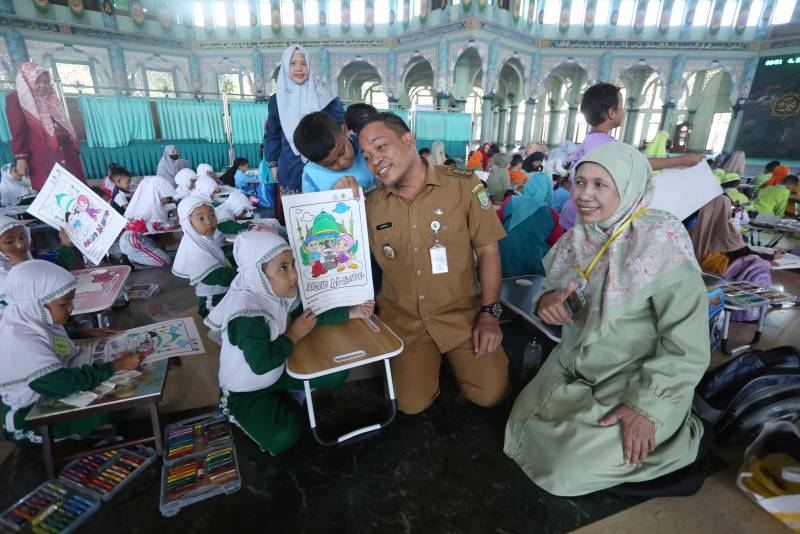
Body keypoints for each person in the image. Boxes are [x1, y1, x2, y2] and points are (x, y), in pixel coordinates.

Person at [504, 142, 711, 497]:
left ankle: (683, 438)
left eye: (600, 184)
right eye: (580, 182)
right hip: (574, 364)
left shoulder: (661, 240)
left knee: (564, 472)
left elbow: (686, 344)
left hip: (635, 378)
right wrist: (548, 301)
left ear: (629, 186)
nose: (583, 195)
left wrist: (646, 408)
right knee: (519, 427)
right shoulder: (578, 237)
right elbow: (550, 290)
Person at [335, 113, 510, 415]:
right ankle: (430, 366)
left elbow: (488, 251)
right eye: (367, 156)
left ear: (409, 141)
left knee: (491, 394)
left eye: (381, 147)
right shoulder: (369, 204)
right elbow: (337, 253)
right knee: (410, 404)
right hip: (405, 321)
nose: (375, 160)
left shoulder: (465, 185)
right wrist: (339, 203)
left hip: (462, 316)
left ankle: (455, 361)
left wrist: (489, 314)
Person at [205, 230, 374, 455]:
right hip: (246, 392)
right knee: (282, 437)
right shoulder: (245, 314)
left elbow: (310, 317)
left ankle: (289, 395)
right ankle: (282, 400)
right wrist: (294, 334)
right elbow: (261, 364)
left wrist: (351, 312)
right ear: (257, 274)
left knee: (337, 372)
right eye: (283, 268)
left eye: (292, 264)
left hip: (278, 371)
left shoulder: (273, 293)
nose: (294, 274)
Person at [0, 260, 143, 444]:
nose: (71, 307)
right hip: (28, 413)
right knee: (107, 408)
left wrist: (80, 332)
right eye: (64, 303)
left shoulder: (27, 317)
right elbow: (62, 383)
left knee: (117, 394)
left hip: (51, 384)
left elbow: (50, 338)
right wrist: (115, 366)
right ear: (35, 305)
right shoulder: (20, 341)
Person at [264, 45, 344, 194]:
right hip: (290, 165)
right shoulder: (276, 100)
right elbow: (272, 133)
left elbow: (340, 124)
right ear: (285, 66)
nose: (299, 68)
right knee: (297, 206)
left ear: (309, 65)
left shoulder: (324, 94)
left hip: (324, 161)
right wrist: (273, 163)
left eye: (303, 63)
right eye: (293, 63)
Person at [5, 62, 85, 191]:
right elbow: (17, 130)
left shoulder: (52, 98)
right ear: (28, 80)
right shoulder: (16, 98)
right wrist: (21, 158)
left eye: (46, 82)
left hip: (67, 152)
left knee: (78, 191)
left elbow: (65, 125)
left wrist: (74, 148)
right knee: (53, 192)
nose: (43, 85)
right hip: (42, 156)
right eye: (38, 81)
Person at [172, 195, 236, 318]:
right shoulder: (194, 249)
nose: (209, 222)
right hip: (211, 303)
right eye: (201, 218)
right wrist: (243, 272)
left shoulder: (204, 240)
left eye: (212, 215)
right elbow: (216, 276)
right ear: (188, 223)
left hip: (222, 293)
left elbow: (221, 257)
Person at [686, 195, 774, 275]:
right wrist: (772, 256)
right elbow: (745, 254)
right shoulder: (729, 234)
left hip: (691, 273)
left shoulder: (689, 230)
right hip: (714, 275)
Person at [293, 112, 375, 193]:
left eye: (342, 152)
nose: (342, 163)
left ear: (345, 131)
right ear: (316, 163)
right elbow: (312, 201)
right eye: (330, 164)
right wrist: (333, 197)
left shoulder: (368, 147)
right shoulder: (311, 176)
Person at [499, 180, 564, 278]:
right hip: (533, 270)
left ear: (528, 187)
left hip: (502, 261)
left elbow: (496, 227)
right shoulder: (553, 215)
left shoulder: (510, 201)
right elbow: (555, 247)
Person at [120, 176, 175, 269]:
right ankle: (131, 262)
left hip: (131, 239)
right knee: (167, 261)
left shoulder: (142, 203)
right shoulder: (152, 207)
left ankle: (133, 257)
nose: (167, 200)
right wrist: (176, 224)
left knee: (158, 249)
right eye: (167, 198)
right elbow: (155, 227)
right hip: (134, 240)